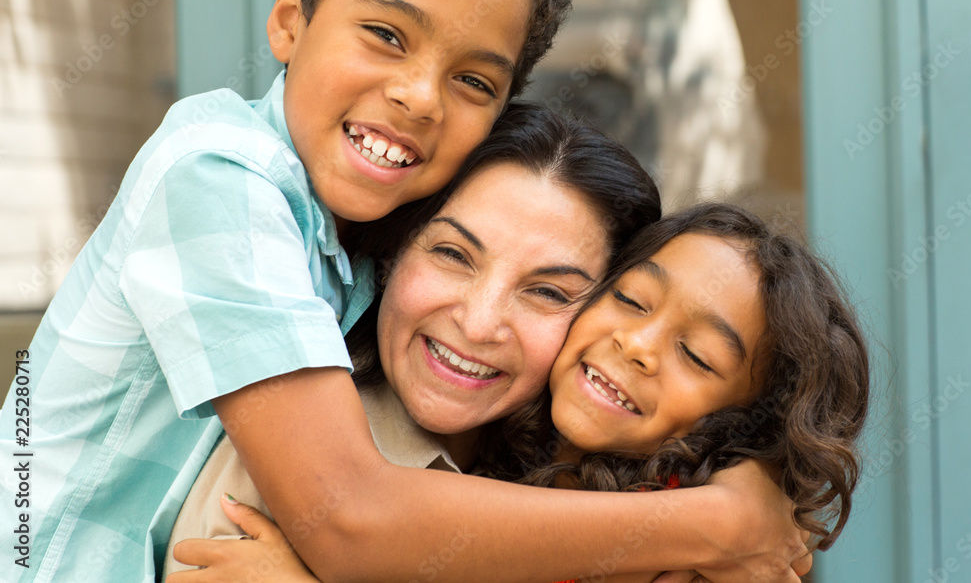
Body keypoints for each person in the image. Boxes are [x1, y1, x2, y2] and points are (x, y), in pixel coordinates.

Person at [0, 0, 570, 581]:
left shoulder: (373, 248)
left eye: (473, 81)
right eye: (387, 36)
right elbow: (347, 515)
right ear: (290, 19)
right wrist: (701, 525)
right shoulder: (214, 172)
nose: (419, 97)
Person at [164, 107, 814, 582]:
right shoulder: (304, 452)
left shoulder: (569, 485)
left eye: (548, 291)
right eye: (452, 253)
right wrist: (719, 519)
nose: (478, 323)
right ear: (394, 251)